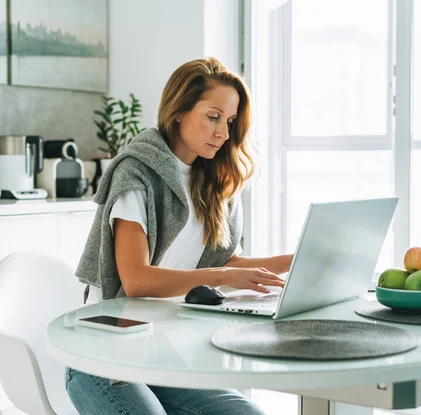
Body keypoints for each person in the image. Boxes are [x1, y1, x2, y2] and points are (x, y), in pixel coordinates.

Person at [65, 57, 293, 415]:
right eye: (213, 116)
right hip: (102, 353)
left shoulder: (210, 180)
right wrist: (224, 276)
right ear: (179, 111)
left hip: (162, 353)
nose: (223, 132)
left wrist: (294, 262)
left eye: (230, 121)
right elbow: (137, 279)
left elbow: (222, 262)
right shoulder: (137, 172)